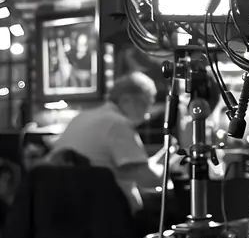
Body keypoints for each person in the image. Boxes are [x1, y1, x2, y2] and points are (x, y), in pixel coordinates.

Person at [48, 72, 177, 214]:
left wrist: (164, 155)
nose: (147, 115)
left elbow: (132, 168)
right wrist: (171, 161)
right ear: (126, 100)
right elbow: (149, 181)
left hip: (68, 213)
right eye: (145, 104)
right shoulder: (117, 123)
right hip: (108, 218)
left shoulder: (81, 117)